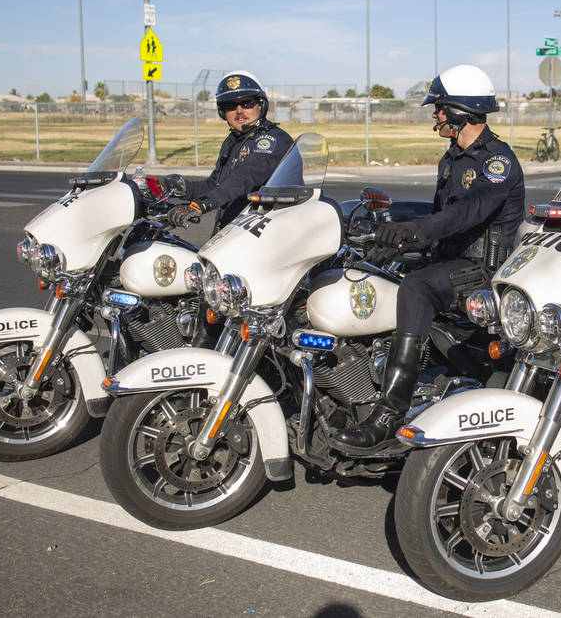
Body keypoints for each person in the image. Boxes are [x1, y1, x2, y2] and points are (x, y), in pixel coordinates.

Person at [335, 64, 525, 449]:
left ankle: (390, 412)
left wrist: (414, 231)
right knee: (377, 272)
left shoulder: (496, 163)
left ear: (459, 110)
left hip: (482, 272)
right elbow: (441, 217)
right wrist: (391, 242)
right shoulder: (453, 157)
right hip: (452, 262)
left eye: (439, 107)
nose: (435, 115)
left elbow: (465, 214)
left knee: (417, 287)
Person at [162, 71, 292, 232]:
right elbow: (214, 184)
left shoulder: (272, 139)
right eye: (230, 105)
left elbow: (244, 178)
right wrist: (181, 188)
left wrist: (202, 204)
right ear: (223, 111)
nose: (239, 111)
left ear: (260, 105)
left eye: (247, 103)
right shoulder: (233, 141)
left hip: (264, 234)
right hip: (234, 231)